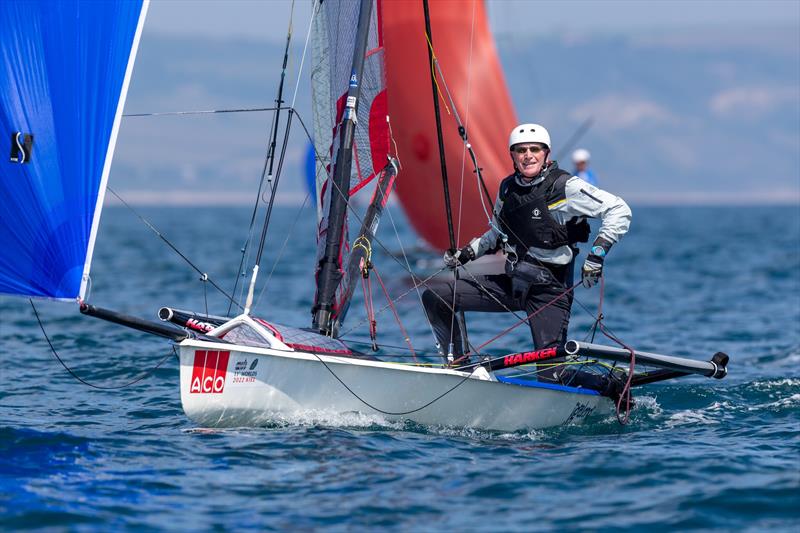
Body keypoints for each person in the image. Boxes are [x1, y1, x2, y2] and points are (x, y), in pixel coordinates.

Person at [422, 123, 632, 382]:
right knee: (436, 295)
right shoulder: (507, 188)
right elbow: (497, 232)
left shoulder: (565, 187)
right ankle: (458, 365)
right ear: (512, 155)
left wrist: (597, 255)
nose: (528, 155)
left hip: (549, 291)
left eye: (535, 149)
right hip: (513, 283)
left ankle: (612, 385)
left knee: (551, 375)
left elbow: (618, 209)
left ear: (546, 153)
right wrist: (466, 254)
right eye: (520, 150)